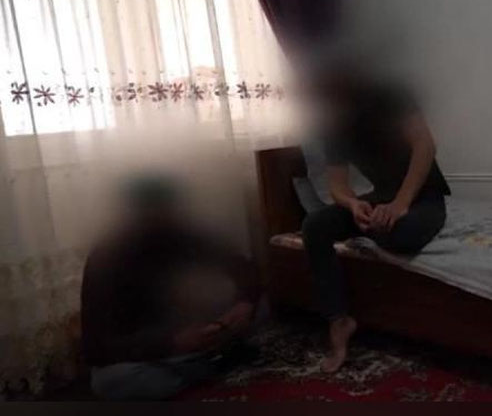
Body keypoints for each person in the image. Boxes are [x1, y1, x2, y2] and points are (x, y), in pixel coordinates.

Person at [301, 64, 450, 373]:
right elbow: (337, 187)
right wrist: (354, 205)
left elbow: (425, 145)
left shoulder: (390, 93)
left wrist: (400, 204)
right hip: (380, 198)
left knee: (400, 234)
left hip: (423, 195)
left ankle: (382, 221)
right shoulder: (332, 123)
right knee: (314, 225)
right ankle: (339, 320)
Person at [80, 176, 264, 400]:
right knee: (110, 382)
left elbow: (244, 268)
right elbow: (96, 348)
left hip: (208, 335)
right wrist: (172, 343)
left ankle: (209, 364)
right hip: (156, 354)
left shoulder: (186, 235)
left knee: (263, 308)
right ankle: (212, 368)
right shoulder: (106, 258)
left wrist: (244, 304)